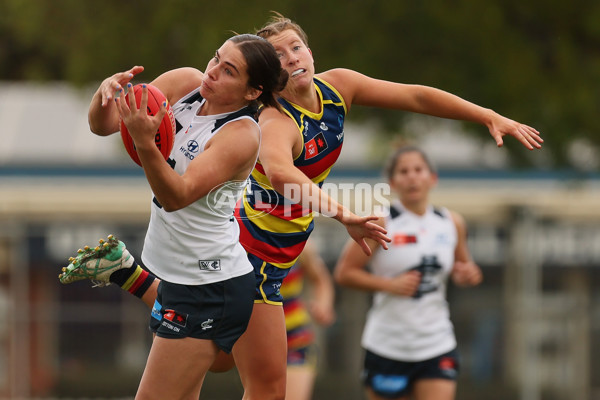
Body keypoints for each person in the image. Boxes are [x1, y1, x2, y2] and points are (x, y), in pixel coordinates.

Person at [60, 12, 542, 400]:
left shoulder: (338, 87)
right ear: (265, 81)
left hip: (278, 252)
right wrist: (344, 212)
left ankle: (135, 276)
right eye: (279, 55)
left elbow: (413, 94)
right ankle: (138, 277)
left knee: (245, 371)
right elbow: (285, 173)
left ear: (309, 49)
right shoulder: (269, 122)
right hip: (249, 250)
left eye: (296, 45)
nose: (292, 58)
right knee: (255, 377)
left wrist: (486, 114)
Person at [59, 33, 288, 399]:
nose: (212, 71)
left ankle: (129, 274)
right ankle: (130, 274)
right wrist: (105, 94)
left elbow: (176, 196)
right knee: (214, 367)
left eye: (228, 71)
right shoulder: (185, 83)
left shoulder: (241, 134)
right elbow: (102, 125)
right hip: (183, 276)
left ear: (251, 92)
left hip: (208, 286)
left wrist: (145, 143)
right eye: (216, 58)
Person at [334, 145, 483, 400]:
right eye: (403, 171)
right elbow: (344, 273)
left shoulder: (451, 222)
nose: (412, 177)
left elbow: (464, 268)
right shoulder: (380, 222)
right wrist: (387, 285)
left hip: (436, 342)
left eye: (418, 170)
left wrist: (468, 275)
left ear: (432, 178)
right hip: (388, 343)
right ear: (392, 182)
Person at [281, 241, 335, 400]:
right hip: (254, 339)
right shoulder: (239, 234)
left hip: (294, 337)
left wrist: (324, 306)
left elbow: (321, 280)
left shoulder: (298, 240)